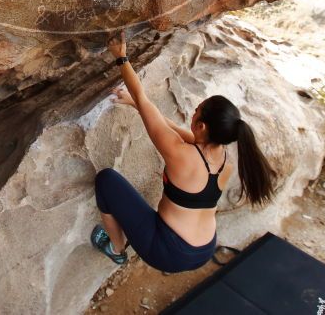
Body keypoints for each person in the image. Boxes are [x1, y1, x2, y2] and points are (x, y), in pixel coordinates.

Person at [90, 31, 277, 273]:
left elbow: (143, 98)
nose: (194, 112)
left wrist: (121, 57)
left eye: (196, 110)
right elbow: (174, 128)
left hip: (168, 252)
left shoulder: (181, 154)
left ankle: (116, 250)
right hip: (203, 249)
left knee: (106, 180)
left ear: (201, 126)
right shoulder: (223, 160)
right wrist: (135, 105)